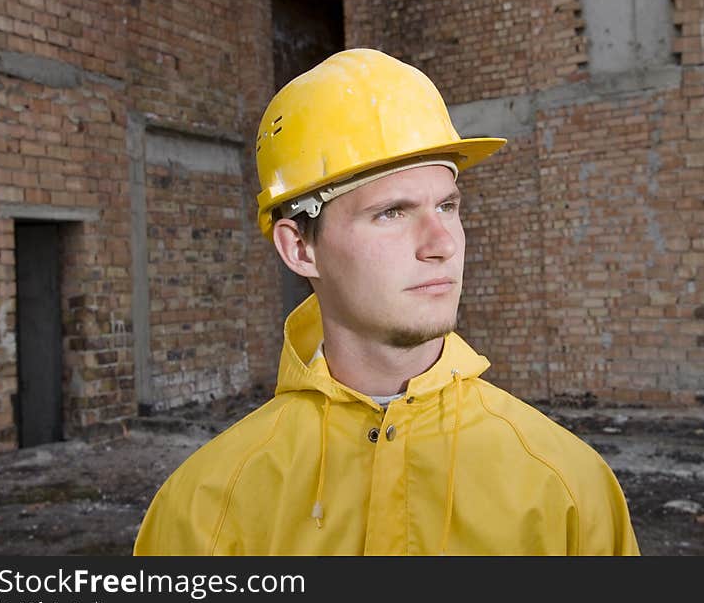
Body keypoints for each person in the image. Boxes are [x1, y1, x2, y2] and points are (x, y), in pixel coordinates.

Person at [133, 48, 639, 556]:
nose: (440, 243)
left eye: (447, 206)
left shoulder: (567, 487)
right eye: (392, 213)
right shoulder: (205, 509)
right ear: (300, 248)